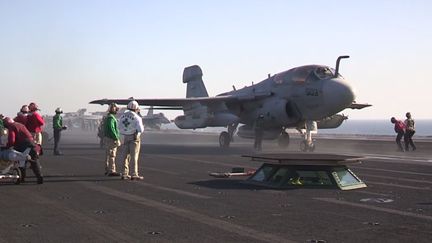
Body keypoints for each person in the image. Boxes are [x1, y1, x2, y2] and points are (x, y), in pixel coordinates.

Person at [2, 117, 43, 184]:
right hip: (33, 145)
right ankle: (40, 177)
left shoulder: (12, 126)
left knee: (21, 161)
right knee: (35, 162)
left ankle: (22, 178)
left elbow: (12, 139)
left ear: (6, 124)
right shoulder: (20, 125)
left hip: (23, 146)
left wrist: (7, 146)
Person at [118, 100, 144, 180]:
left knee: (125, 156)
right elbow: (141, 129)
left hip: (125, 137)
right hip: (134, 137)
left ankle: (124, 173)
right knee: (134, 156)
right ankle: (134, 174)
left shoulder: (122, 116)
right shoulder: (137, 117)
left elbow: (119, 126)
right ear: (136, 108)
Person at [103, 103, 121, 176]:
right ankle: (112, 170)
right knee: (112, 155)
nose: (117, 111)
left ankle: (107, 169)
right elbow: (112, 129)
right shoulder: (111, 118)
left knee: (108, 154)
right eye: (116, 109)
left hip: (107, 138)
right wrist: (116, 138)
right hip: (111, 139)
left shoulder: (108, 117)